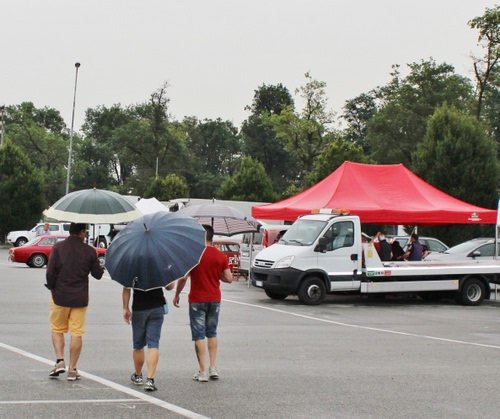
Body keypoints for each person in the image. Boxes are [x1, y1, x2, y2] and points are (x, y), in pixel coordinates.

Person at [173, 224, 233, 382]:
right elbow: (229, 278)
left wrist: (177, 294)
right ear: (212, 237)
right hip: (214, 299)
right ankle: (213, 368)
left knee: (198, 334)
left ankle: (202, 371)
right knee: (212, 332)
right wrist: (216, 273)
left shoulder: (193, 255)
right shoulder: (220, 256)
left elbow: (183, 278)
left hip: (197, 299)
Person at [45, 223, 104, 380]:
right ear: (83, 232)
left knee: (57, 329)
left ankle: (59, 361)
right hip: (80, 298)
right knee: (77, 332)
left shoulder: (58, 247)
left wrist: (51, 287)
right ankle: (72, 368)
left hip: (59, 296)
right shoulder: (89, 250)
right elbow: (98, 274)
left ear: (70, 231)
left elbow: (50, 272)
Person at [122, 283, 174, 392]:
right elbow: (170, 286)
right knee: (153, 343)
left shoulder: (132, 271)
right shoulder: (159, 270)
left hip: (139, 307)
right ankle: (150, 379)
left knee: (138, 345)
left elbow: (126, 288)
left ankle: (138, 376)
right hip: (157, 306)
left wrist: (125, 307)